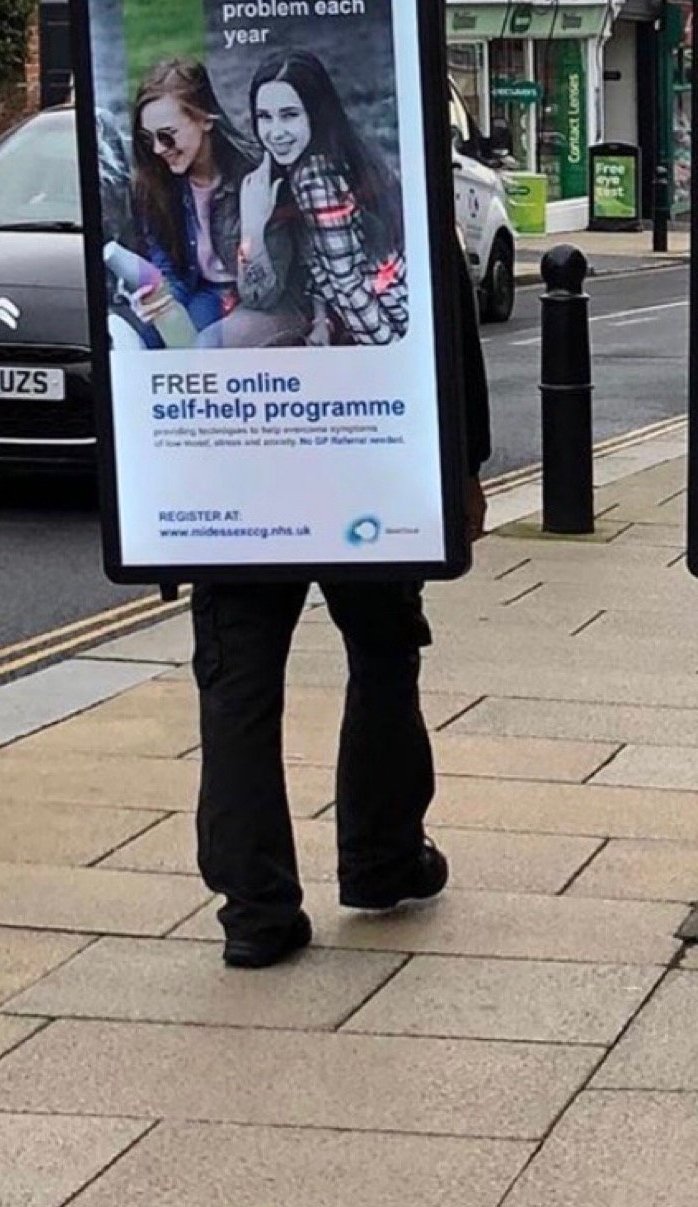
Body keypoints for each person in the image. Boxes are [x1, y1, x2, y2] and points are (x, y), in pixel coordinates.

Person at [191, 232, 492, 968]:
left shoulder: (240, 199)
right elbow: (446, 320)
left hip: (242, 465)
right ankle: (382, 858)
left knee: (239, 680)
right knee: (384, 650)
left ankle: (255, 910)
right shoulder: (390, 182)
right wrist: (464, 464)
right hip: (365, 461)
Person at [126, 59, 303, 348]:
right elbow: (170, 270)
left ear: (206, 119)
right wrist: (158, 300)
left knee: (205, 345)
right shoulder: (156, 182)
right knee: (151, 341)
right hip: (208, 291)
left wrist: (253, 230)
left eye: (167, 136)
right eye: (148, 139)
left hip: (269, 298)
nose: (158, 149)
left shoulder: (256, 174)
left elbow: (265, 295)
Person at [251, 49, 409, 347]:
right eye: (264, 117)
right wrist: (322, 319)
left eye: (289, 115)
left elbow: (347, 284)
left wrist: (385, 354)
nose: (275, 133)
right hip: (391, 306)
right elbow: (326, 265)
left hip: (385, 321)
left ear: (315, 113)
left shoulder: (314, 180)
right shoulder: (340, 153)